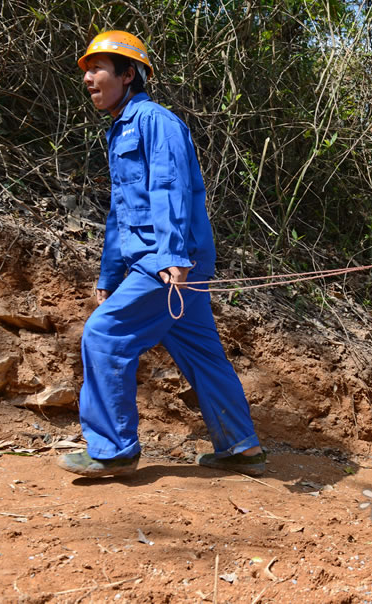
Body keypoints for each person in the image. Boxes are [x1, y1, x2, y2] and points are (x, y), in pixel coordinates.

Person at [58, 30, 265, 477]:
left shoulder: (157, 122)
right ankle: (241, 447)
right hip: (156, 260)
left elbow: (169, 190)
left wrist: (172, 257)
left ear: (128, 74)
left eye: (98, 69)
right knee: (200, 350)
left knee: (104, 336)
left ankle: (113, 450)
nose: (88, 78)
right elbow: (121, 211)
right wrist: (109, 275)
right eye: (87, 70)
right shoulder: (121, 129)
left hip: (167, 260)